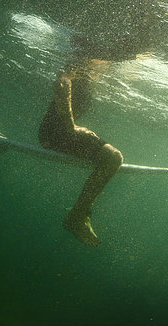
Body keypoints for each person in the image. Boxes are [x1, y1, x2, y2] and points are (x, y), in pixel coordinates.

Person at [39, 35, 137, 247]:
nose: (107, 65)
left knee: (110, 156)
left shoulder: (87, 75)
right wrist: (71, 126)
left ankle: (79, 214)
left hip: (59, 134)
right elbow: (61, 83)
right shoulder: (77, 65)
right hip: (54, 135)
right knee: (113, 158)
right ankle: (77, 216)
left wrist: (75, 128)